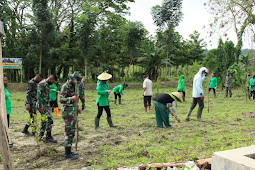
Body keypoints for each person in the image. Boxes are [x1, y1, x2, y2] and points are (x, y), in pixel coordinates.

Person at [60, 74, 81, 159]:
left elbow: (75, 99)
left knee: (72, 132)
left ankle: (69, 151)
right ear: (71, 80)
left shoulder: (75, 87)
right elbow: (61, 100)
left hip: (73, 112)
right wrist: (71, 99)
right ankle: (67, 154)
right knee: (68, 132)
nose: (77, 83)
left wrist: (77, 107)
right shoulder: (65, 86)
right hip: (67, 112)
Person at [37, 74, 58, 142]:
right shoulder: (42, 84)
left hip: (45, 105)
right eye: (53, 81)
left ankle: (41, 136)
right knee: (49, 119)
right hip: (41, 105)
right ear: (50, 79)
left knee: (44, 120)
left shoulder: (47, 85)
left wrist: (49, 106)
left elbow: (47, 96)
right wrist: (40, 106)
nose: (53, 83)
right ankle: (48, 136)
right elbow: (39, 95)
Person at [3, 74, 13, 147]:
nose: (5, 81)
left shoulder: (4, 87)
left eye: (6, 80)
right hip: (3, 110)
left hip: (7, 110)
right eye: (4, 80)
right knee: (4, 127)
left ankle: (6, 141)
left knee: (7, 126)